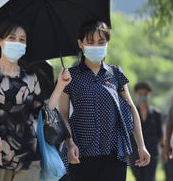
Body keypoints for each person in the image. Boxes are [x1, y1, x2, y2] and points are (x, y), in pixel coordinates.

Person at [0, 20, 71, 181]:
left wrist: (60, 86)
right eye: (12, 38)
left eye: (22, 40)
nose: (17, 43)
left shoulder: (31, 76)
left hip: (28, 154)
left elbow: (44, 110)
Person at [59, 20, 150, 181]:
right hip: (81, 155)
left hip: (114, 154)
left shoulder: (115, 73)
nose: (96, 46)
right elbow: (63, 115)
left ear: (107, 43)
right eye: (90, 41)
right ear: (80, 43)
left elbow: (131, 109)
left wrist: (141, 146)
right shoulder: (70, 76)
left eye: (101, 42)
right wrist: (70, 143)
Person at [130, 82, 163, 181]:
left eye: (145, 94)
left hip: (152, 153)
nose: (142, 96)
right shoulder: (131, 113)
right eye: (140, 94)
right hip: (135, 153)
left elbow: (160, 135)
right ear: (136, 94)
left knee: (150, 178)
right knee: (139, 178)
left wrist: (164, 150)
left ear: (150, 94)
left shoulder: (156, 114)